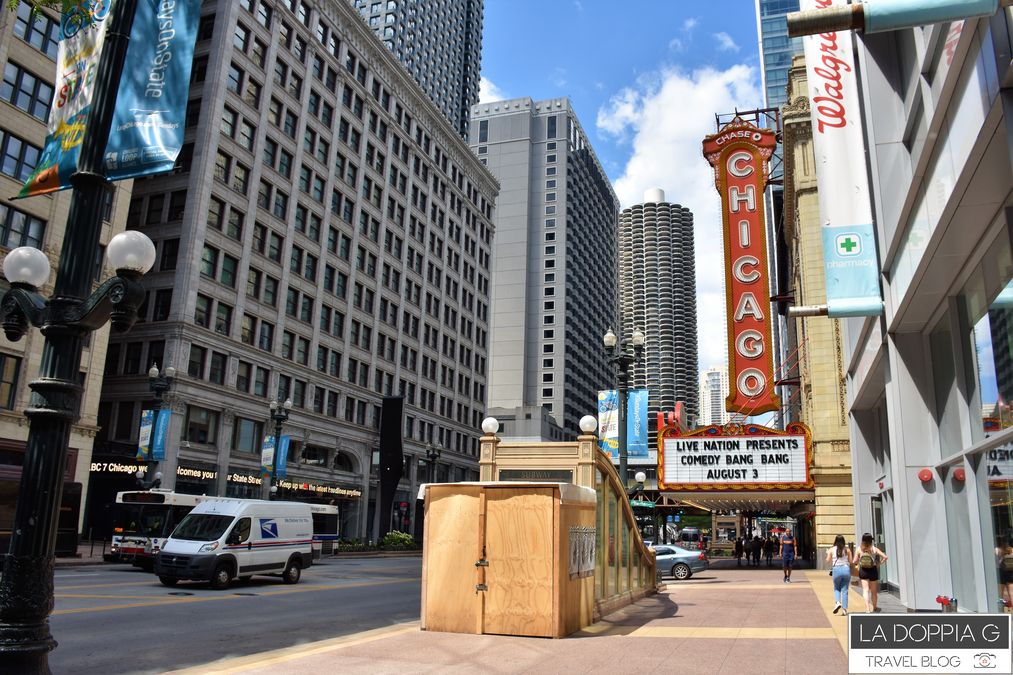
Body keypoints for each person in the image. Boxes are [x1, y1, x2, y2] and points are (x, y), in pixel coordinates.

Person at [857, 533, 888, 612]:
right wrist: (879, 564)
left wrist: (859, 562)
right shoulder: (874, 549)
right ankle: (874, 607)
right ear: (871, 540)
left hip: (863, 570)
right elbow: (885, 557)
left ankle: (867, 608)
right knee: (874, 591)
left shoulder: (859, 549)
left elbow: (854, 561)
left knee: (865, 590)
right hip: (873, 570)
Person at [826, 535, 853, 615]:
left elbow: (827, 560)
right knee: (845, 590)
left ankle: (837, 602)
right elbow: (851, 561)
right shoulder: (847, 550)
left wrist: (828, 553)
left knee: (837, 588)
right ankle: (844, 610)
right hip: (846, 570)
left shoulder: (831, 549)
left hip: (836, 570)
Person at [996, 533, 1013, 610]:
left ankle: (1000, 610)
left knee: (1000, 593)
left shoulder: (997, 549)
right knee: (1011, 593)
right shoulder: (1011, 549)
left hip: (1001, 571)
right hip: (1010, 571)